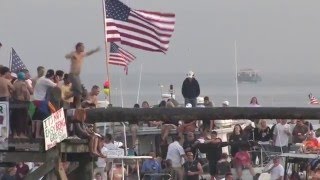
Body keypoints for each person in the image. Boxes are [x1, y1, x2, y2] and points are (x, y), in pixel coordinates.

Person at [65, 42, 100, 108]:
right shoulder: (74, 53)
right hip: (72, 75)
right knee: (79, 91)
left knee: (77, 91)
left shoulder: (82, 54)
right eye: (82, 47)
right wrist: (71, 56)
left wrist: (95, 50)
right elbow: (66, 56)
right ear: (78, 47)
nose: (84, 48)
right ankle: (76, 104)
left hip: (77, 76)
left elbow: (88, 53)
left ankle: (68, 96)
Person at [11, 72, 30, 138]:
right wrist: (26, 99)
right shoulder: (23, 83)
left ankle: (15, 134)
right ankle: (21, 134)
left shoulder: (15, 83)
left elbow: (12, 92)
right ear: (23, 77)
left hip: (15, 101)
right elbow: (24, 91)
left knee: (16, 118)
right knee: (23, 118)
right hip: (22, 102)